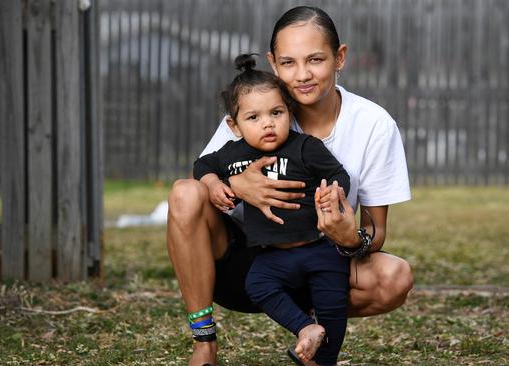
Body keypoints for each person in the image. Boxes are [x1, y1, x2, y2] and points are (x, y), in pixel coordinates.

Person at [166, 6, 413, 366]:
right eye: (288, 62)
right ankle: (204, 342)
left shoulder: (373, 125)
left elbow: (375, 232)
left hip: (319, 261)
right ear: (272, 62)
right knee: (182, 191)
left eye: (315, 59)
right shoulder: (254, 109)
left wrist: (349, 237)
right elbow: (197, 192)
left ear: (339, 57)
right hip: (243, 265)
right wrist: (237, 184)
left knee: (395, 276)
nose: (302, 75)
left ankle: (310, 332)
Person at [193, 53, 352, 365]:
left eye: (276, 113)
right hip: (273, 254)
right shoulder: (232, 154)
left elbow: (338, 174)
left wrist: (334, 193)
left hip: (319, 248)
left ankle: (323, 359)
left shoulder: (305, 147)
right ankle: (305, 328)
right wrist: (213, 183)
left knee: (332, 304)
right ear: (234, 125)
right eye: (253, 117)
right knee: (258, 285)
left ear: (288, 112)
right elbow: (202, 165)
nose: (267, 123)